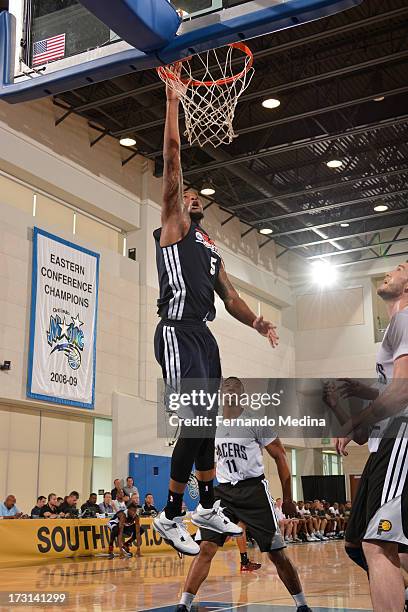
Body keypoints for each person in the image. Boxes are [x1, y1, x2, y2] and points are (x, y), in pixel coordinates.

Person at [153, 63, 279, 556]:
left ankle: (207, 503)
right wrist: (172, 100)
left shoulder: (208, 248)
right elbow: (173, 156)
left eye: (195, 193)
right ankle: (169, 514)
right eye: (186, 192)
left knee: (208, 421)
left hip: (204, 336)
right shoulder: (173, 227)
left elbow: (230, 297)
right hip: (177, 330)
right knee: (198, 421)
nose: (191, 193)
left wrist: (258, 321)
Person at [176, 377, 312, 612]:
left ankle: (302, 604)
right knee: (206, 547)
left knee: (276, 553)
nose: (229, 390)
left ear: (242, 395)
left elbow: (280, 457)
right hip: (223, 492)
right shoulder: (211, 423)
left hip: (254, 490)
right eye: (226, 387)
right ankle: (183, 605)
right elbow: (203, 460)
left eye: (235, 388)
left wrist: (288, 498)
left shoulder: (256, 421)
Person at [328, 261, 408, 612]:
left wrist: (353, 421)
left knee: (377, 542)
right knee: (359, 543)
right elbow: (391, 392)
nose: (391, 271)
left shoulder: (406, 319)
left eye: (401, 268)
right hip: (388, 441)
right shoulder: (396, 324)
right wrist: (361, 409)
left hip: (401, 439)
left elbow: (402, 394)